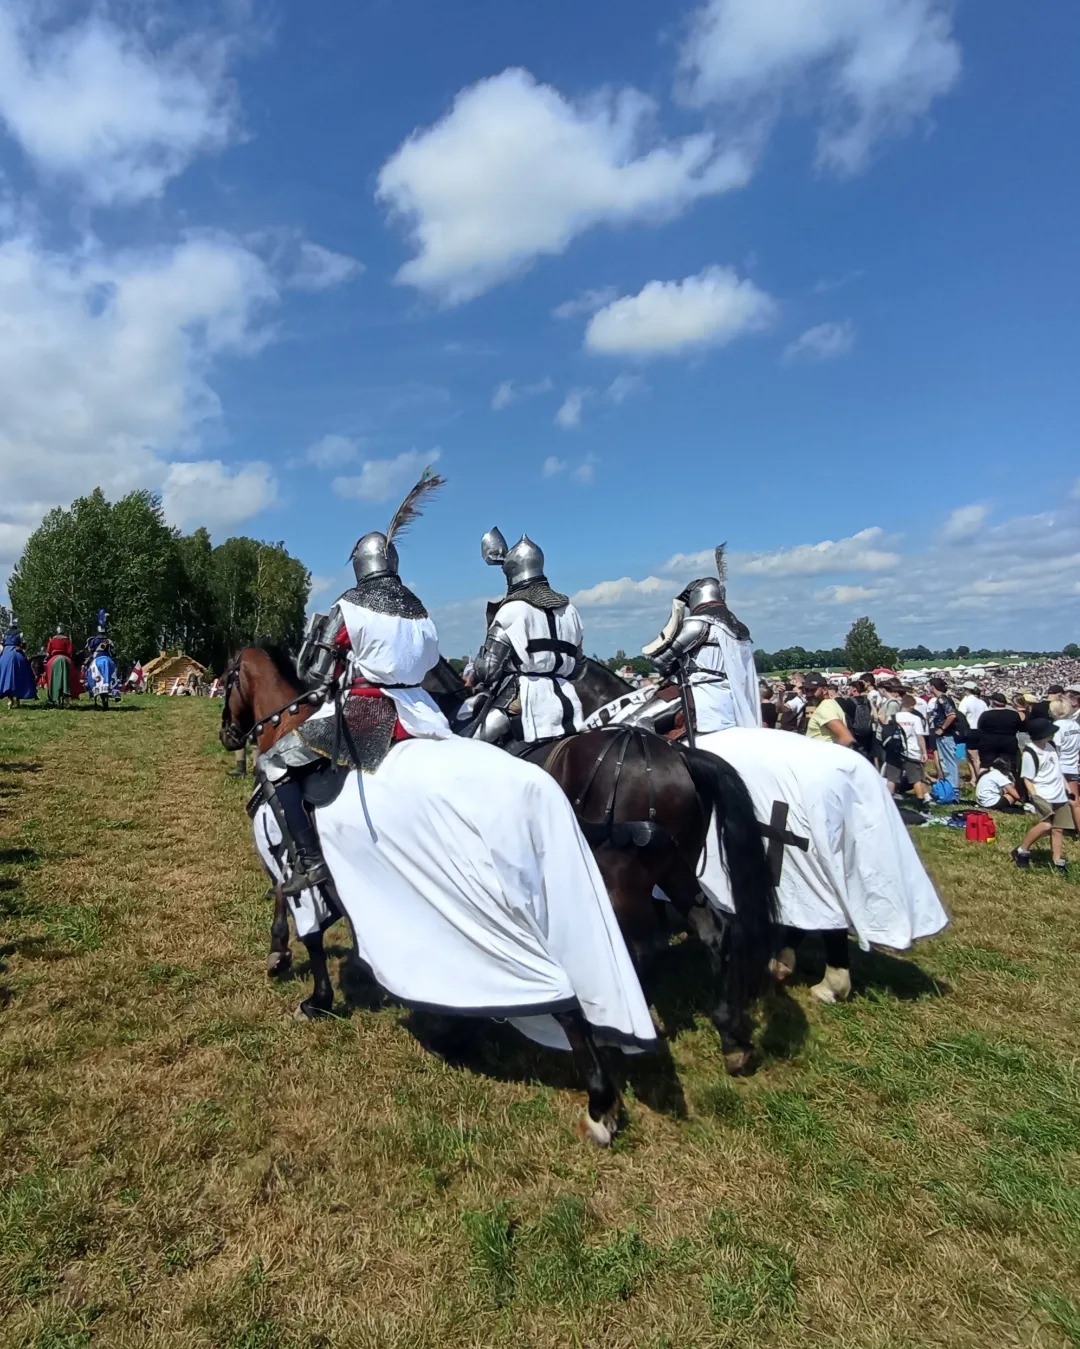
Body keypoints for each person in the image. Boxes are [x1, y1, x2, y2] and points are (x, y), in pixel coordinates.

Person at [471, 528, 585, 747]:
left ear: (512, 573)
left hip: (522, 698)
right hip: (568, 697)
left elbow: (487, 672)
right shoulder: (570, 609)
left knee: (469, 745)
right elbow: (579, 666)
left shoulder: (513, 609)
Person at [639, 546, 761, 736]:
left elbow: (660, 661)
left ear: (698, 596)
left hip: (701, 695)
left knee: (634, 724)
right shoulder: (739, 629)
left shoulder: (697, 624)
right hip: (734, 698)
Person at [1012, 719, 1072, 874]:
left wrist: (1066, 788)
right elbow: (1027, 779)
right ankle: (1022, 850)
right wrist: (1035, 798)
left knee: (1058, 829)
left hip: (1059, 794)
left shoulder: (1051, 746)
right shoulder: (1030, 753)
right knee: (1046, 825)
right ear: (1041, 735)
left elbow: (1057, 770)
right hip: (1043, 795)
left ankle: (1057, 860)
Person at [883, 694, 930, 803]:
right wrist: (924, 752)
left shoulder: (893, 717)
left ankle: (889, 802)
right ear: (912, 706)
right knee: (916, 779)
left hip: (894, 751)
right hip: (911, 751)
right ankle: (920, 803)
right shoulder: (915, 719)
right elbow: (920, 737)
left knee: (892, 778)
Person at [803, 673, 855, 747]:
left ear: (824, 690)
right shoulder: (830, 704)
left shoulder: (825, 707)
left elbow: (846, 738)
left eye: (812, 690)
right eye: (806, 690)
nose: (809, 694)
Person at [977, 692, 1022, 774]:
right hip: (1009, 743)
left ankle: (982, 782)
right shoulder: (1014, 714)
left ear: (992, 702)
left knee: (986, 765)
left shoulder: (986, 715)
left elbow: (980, 728)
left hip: (989, 743)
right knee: (1009, 766)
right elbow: (1020, 728)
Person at [927, 677, 959, 792]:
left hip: (946, 735)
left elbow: (951, 715)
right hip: (942, 736)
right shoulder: (940, 699)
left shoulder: (942, 699)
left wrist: (942, 728)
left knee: (949, 761)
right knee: (944, 762)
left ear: (933, 687)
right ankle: (948, 787)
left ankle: (953, 789)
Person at [1050, 698, 1080, 810]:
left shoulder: (1057, 726)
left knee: (1058, 802)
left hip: (1060, 766)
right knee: (1075, 801)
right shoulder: (1076, 725)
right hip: (1073, 766)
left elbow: (1055, 748)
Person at [0, 618, 37, 707]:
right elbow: (23, 644)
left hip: (6, 652)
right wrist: (22, 646)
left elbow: (3, 643)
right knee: (28, 667)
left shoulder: (5, 633)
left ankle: (10, 699)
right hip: (17, 651)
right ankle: (18, 699)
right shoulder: (20, 633)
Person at [958, 681, 988, 777]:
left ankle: (979, 777)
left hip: (970, 730)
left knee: (973, 757)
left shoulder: (965, 702)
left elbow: (961, 716)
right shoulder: (982, 702)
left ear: (965, 690)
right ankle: (974, 777)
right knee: (975, 756)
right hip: (982, 730)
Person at [45, 624, 79, 703]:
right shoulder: (67, 640)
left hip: (54, 657)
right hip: (65, 657)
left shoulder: (52, 640)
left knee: (46, 667)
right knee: (73, 671)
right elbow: (70, 652)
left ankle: (50, 690)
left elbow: (48, 652)